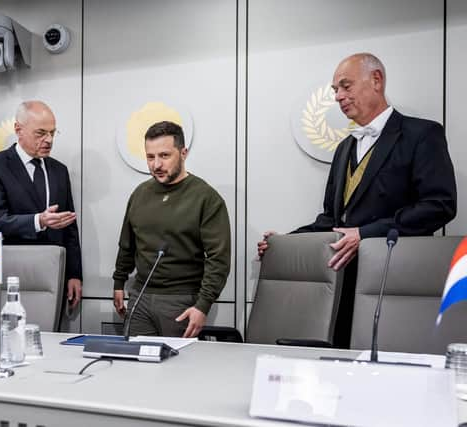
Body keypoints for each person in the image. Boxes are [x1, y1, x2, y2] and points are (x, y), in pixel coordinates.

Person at [257, 53, 457, 347]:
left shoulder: (423, 134)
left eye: (345, 86)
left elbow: (439, 205)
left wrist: (365, 235)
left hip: (395, 285)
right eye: (335, 90)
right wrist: (285, 242)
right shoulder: (343, 148)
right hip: (340, 286)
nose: (338, 96)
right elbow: (331, 220)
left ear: (376, 80)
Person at [113, 121, 231, 338]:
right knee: (134, 367)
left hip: (182, 301)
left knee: (177, 369)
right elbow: (127, 244)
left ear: (183, 153)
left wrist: (202, 305)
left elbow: (218, 259)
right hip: (140, 296)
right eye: (150, 157)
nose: (156, 164)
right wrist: (119, 282)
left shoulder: (206, 198)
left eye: (164, 156)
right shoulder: (140, 194)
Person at [0, 101, 82, 309]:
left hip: (54, 273)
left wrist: (74, 274)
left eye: (53, 133)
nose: (49, 140)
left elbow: (69, 227)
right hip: (12, 272)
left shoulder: (59, 170)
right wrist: (39, 221)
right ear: (18, 130)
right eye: (41, 133)